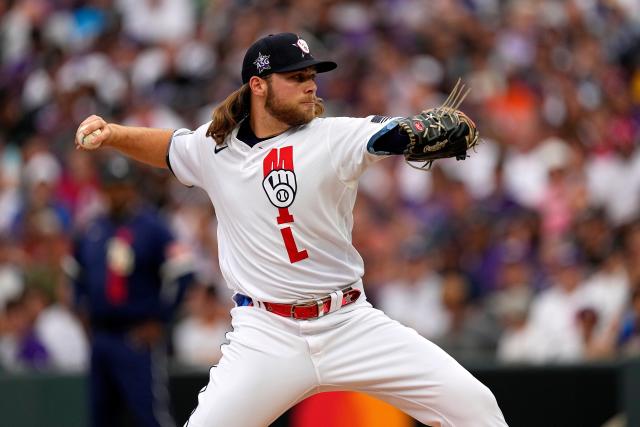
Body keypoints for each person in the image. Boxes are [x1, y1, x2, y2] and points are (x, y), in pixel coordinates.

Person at [74, 32, 507, 427]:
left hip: (349, 323)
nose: (310, 85)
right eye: (296, 76)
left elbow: (382, 135)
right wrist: (113, 134)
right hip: (267, 336)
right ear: (258, 85)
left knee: (476, 407)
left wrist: (408, 132)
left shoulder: (333, 137)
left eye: (312, 75)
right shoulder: (215, 148)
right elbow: (169, 147)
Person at [70, 155, 194, 427]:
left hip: (136, 337)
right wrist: (82, 314)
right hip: (101, 337)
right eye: (112, 187)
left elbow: (184, 273)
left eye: (123, 186)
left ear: (133, 188)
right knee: (100, 417)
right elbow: (75, 274)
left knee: (150, 416)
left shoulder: (153, 227)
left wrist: (161, 320)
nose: (117, 193)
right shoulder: (92, 228)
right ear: (102, 190)